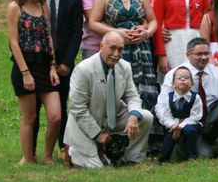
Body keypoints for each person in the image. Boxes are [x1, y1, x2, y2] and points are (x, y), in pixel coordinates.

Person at [64, 31, 154, 167]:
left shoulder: (125, 66)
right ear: (101, 46)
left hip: (113, 116)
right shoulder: (83, 69)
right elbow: (78, 108)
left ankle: (132, 159)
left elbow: (132, 96)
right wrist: (98, 135)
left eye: (120, 49)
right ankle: (75, 151)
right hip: (86, 123)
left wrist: (133, 116)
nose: (116, 54)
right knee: (98, 167)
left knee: (145, 117)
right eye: (112, 48)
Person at [89, 0, 159, 115]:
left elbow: (153, 20)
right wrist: (116, 32)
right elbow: (93, 22)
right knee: (120, 85)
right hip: (117, 48)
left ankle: (147, 127)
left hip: (141, 48)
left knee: (144, 87)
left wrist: (146, 32)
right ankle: (118, 131)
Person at [7, 0, 61, 165]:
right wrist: (25, 73)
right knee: (29, 118)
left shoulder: (42, 5)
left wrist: (53, 66)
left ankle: (47, 156)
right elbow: (13, 42)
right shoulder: (15, 7)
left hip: (45, 66)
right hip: (25, 66)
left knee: (55, 116)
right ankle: (27, 158)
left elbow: (48, 37)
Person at [160, 38, 218, 158]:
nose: (203, 57)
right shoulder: (175, 74)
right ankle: (185, 146)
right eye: (199, 54)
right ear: (188, 55)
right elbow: (161, 105)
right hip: (187, 124)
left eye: (206, 53)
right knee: (204, 156)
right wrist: (173, 125)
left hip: (210, 119)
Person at [36, 0, 83, 162]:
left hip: (64, 62)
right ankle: (31, 150)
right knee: (35, 108)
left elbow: (76, 32)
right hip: (38, 62)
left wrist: (66, 62)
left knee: (62, 105)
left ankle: (62, 146)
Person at [155, 66, 202, 163]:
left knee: (190, 131)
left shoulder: (195, 98)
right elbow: (166, 115)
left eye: (186, 77)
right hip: (175, 123)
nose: (183, 79)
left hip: (191, 124)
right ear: (173, 84)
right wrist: (174, 126)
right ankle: (164, 160)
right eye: (179, 78)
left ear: (192, 84)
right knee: (170, 135)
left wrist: (181, 126)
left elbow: (195, 116)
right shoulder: (169, 98)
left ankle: (192, 157)